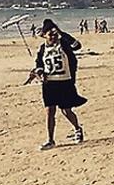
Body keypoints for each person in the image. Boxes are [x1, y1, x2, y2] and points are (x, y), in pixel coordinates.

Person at [33, 19, 86, 150]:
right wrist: (39, 72)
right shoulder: (43, 48)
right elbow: (39, 63)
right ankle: (50, 140)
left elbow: (77, 45)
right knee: (50, 111)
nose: (53, 37)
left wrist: (61, 32)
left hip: (65, 82)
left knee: (66, 110)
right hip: (49, 84)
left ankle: (77, 128)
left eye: (55, 34)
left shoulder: (63, 44)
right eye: (50, 35)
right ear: (44, 35)